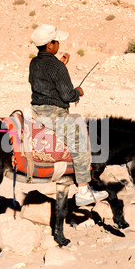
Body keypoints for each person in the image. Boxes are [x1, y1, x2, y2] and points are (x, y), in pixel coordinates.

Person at [29, 23, 108, 206]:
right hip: (53, 114)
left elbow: (43, 82)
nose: (58, 45)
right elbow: (67, 95)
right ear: (50, 45)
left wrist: (61, 66)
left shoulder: (34, 62)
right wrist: (78, 92)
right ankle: (82, 191)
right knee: (80, 142)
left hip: (36, 110)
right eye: (56, 42)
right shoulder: (56, 67)